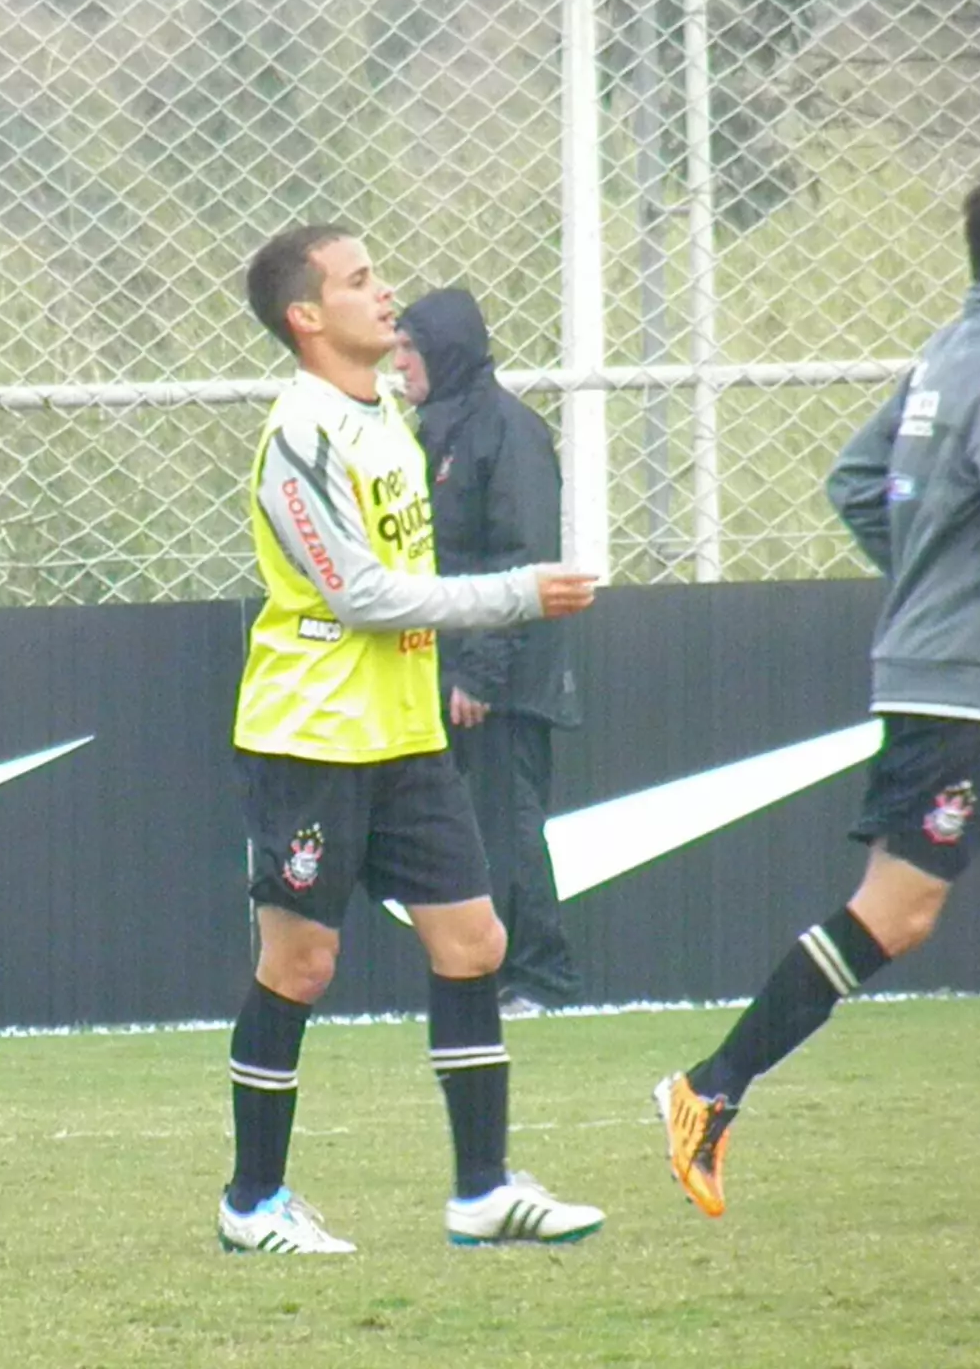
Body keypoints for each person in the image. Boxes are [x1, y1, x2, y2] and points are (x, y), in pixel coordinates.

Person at [655, 159, 980, 1219]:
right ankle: (707, 1088)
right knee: (895, 915)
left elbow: (854, 481)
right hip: (960, 696)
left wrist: (934, 572)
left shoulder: (956, 350)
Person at [218, 224, 604, 1254]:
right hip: (309, 737)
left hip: (400, 735)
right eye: (357, 281)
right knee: (300, 965)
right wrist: (515, 596)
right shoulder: (297, 433)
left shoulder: (387, 413)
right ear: (307, 317)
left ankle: (480, 1189)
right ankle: (250, 1204)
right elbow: (358, 594)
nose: (383, 294)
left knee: (473, 941)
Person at [394, 287, 584, 1015]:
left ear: (443, 352)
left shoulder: (508, 431)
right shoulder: (431, 431)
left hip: (503, 677)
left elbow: (523, 556)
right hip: (443, 667)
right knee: (469, 824)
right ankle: (484, 976)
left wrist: (479, 670)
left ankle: (540, 979)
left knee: (507, 821)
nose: (399, 361)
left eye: (410, 348)